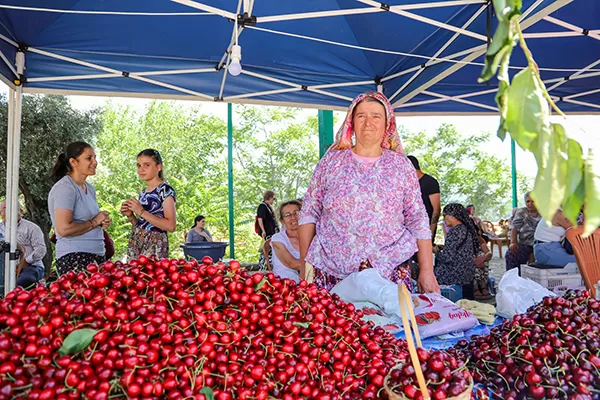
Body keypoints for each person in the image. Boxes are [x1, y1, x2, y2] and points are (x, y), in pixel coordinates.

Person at [298, 91, 439, 293]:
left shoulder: (401, 165)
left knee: (390, 324)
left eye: (376, 116)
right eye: (361, 116)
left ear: (387, 124)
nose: (368, 122)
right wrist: (305, 266)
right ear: (351, 122)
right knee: (336, 324)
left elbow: (417, 218)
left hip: (389, 270)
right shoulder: (331, 162)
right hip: (332, 272)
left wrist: (427, 270)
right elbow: (309, 213)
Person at [48, 142, 111, 275]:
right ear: (73, 162)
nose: (95, 162)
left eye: (95, 157)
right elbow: (64, 229)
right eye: (89, 158)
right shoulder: (65, 188)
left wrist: (101, 222)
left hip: (97, 256)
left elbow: (91, 221)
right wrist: (94, 222)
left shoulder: (90, 188)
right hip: (74, 258)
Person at [121, 149, 176, 260]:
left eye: (147, 165)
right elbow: (144, 225)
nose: (141, 169)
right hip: (137, 242)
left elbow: (170, 226)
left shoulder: (165, 190)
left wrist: (141, 211)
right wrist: (131, 215)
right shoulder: (143, 193)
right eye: (139, 165)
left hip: (154, 247)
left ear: (158, 167)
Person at [434, 204, 480, 300]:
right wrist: (444, 247)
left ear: (453, 215)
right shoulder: (465, 229)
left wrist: (435, 251)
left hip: (455, 274)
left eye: (444, 215)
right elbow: (458, 249)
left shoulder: (454, 232)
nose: (444, 218)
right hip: (467, 274)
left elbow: (447, 258)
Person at [0, 201, 46, 289]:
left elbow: (40, 249)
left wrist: (24, 262)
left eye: (13, 208)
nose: (9, 211)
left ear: (21, 212)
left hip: (31, 266)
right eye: (5, 209)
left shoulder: (32, 228)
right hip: (4, 269)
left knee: (24, 281)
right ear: (0, 213)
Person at [407, 155, 441, 243]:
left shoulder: (430, 182)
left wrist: (431, 232)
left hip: (425, 230)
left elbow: (436, 209)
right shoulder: (407, 183)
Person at [505, 192, 541, 270]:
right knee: (512, 253)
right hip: (525, 243)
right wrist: (513, 242)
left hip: (541, 243)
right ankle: (513, 278)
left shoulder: (543, 213)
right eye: (528, 201)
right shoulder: (521, 212)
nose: (530, 204)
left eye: (533, 201)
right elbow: (515, 228)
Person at [270, 200, 303, 283]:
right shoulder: (278, 239)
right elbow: (291, 263)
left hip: (308, 285)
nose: (293, 217)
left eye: (296, 212)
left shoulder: (311, 236)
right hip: (285, 287)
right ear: (282, 221)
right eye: (287, 215)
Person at [256, 191, 279, 270]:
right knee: (266, 249)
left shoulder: (268, 206)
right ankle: (262, 266)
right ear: (269, 198)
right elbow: (260, 219)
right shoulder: (262, 206)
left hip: (272, 231)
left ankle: (269, 266)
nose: (273, 200)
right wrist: (263, 230)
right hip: (268, 231)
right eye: (273, 198)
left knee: (271, 250)